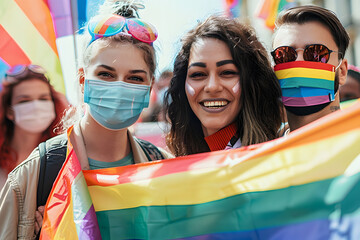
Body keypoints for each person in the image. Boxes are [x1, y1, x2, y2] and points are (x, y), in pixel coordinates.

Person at [0, 3, 172, 239]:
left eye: (135, 78)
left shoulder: (164, 168)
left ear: (149, 87)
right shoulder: (35, 173)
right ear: (83, 80)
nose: (119, 86)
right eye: (105, 74)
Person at [164, 15, 283, 157]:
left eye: (227, 72)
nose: (212, 87)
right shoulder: (176, 165)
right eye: (198, 74)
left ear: (251, 82)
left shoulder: (281, 155)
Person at [271, 5, 350, 132]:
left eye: (316, 53)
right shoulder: (263, 149)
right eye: (285, 55)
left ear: (342, 72)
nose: (299, 63)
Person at [0, 65, 69, 188]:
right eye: (24, 101)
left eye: (43, 99)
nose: (36, 106)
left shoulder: (66, 155)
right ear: (9, 112)